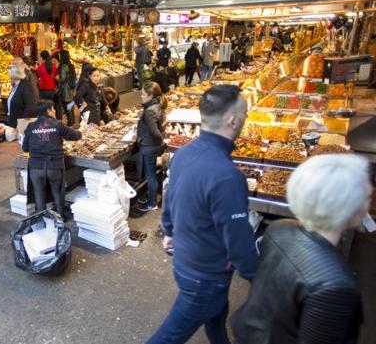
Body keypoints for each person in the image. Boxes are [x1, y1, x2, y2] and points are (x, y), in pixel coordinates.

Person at [147, 85, 258, 344]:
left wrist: (169, 231)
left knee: (217, 316)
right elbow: (240, 246)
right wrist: (263, 280)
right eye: (244, 114)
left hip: (187, 262)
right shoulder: (228, 177)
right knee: (168, 336)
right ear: (233, 121)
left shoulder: (184, 153)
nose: (244, 119)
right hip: (205, 278)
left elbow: (170, 198)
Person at [232, 154, 370, 344]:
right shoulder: (336, 285)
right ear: (347, 206)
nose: (367, 204)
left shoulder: (279, 229)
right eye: (365, 196)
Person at [22, 100, 82, 220]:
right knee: (57, 192)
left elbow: (25, 148)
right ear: (48, 110)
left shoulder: (31, 126)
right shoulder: (57, 124)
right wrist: (80, 132)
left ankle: (42, 221)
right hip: (54, 166)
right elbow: (74, 136)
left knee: (39, 196)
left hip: (36, 167)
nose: (54, 111)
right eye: (53, 109)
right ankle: (60, 219)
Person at [136, 82, 167, 212]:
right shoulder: (157, 105)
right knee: (152, 172)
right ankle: (151, 195)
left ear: (150, 95)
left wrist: (161, 142)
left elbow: (155, 133)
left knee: (150, 175)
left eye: (143, 94)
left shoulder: (149, 111)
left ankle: (152, 202)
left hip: (150, 147)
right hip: (154, 146)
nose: (141, 96)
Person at [7, 63, 35, 129]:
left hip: (20, 123)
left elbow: (30, 106)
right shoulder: (15, 86)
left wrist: (22, 123)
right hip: (14, 121)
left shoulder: (25, 86)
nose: (8, 75)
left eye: (9, 73)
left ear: (14, 74)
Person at [36, 51, 60, 118]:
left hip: (43, 90)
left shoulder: (40, 67)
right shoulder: (53, 66)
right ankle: (51, 120)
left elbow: (36, 77)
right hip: (52, 90)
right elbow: (57, 77)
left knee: (43, 107)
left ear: (41, 58)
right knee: (50, 107)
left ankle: (44, 120)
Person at [56, 50, 76, 126]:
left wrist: (57, 78)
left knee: (67, 107)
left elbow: (63, 78)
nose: (59, 57)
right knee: (71, 106)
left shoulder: (64, 66)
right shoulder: (71, 65)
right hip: (71, 88)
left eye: (60, 55)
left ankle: (70, 124)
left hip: (65, 89)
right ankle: (73, 122)